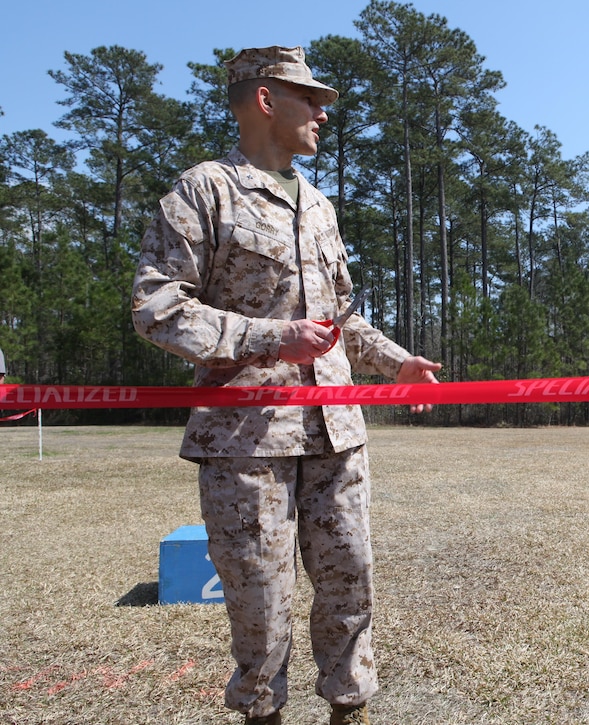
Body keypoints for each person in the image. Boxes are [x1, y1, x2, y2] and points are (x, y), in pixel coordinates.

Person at [132, 46, 441, 725]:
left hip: (336, 429)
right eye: (311, 98)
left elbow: (341, 316)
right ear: (267, 100)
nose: (323, 113)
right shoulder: (204, 191)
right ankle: (264, 715)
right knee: (259, 604)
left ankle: (348, 711)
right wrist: (270, 337)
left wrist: (396, 361)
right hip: (247, 441)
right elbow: (158, 308)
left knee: (350, 585)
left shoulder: (321, 206)